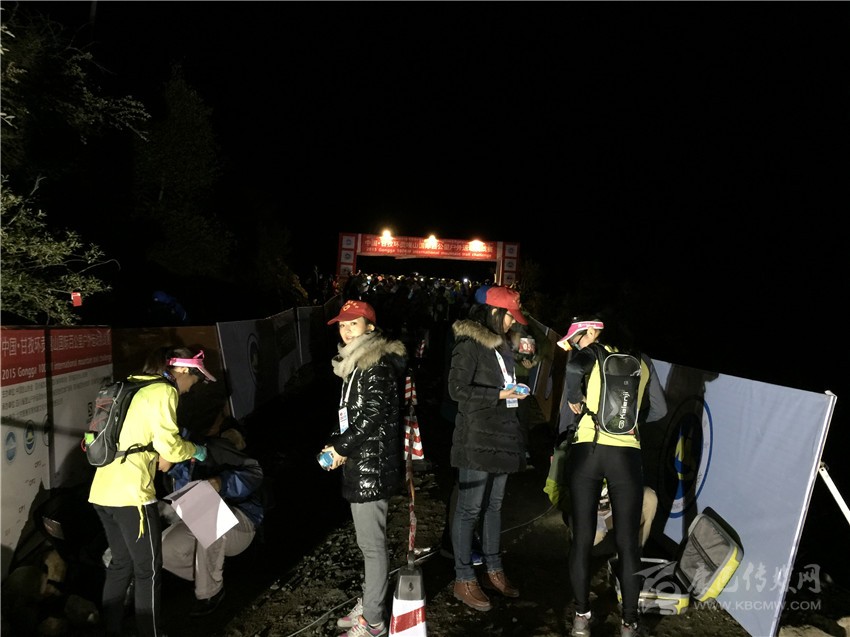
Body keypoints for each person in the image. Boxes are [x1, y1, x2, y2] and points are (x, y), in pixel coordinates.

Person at [88, 346, 213, 637]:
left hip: (102, 490)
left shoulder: (134, 384)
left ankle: (111, 630)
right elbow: (170, 446)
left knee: (121, 564)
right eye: (193, 380)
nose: (189, 389)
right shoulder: (164, 391)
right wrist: (196, 450)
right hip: (131, 495)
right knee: (149, 570)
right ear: (183, 370)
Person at [558, 316, 667, 637]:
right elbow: (660, 410)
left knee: (581, 539)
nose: (578, 343)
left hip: (589, 450)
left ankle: (581, 617)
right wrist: (630, 421)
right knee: (629, 543)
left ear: (597, 331)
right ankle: (629, 623)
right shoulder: (642, 361)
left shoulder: (592, 353)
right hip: (626, 454)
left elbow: (572, 368)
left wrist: (575, 399)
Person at [320, 299, 408, 637]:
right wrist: (335, 444)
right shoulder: (355, 362)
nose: (346, 330)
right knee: (367, 544)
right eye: (342, 325)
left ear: (370, 327)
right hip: (362, 461)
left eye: (353, 324)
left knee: (372, 546)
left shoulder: (375, 364)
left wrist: (342, 447)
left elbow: (372, 414)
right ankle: (371, 603)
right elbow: (349, 414)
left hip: (372, 465)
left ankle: (373, 621)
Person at [447, 285, 530, 612]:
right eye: (509, 316)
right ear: (494, 313)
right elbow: (456, 390)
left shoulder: (504, 345)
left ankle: (494, 569)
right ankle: (463, 577)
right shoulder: (469, 344)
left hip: (503, 435)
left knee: (494, 506)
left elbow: (506, 382)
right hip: (477, 438)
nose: (513, 322)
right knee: (469, 508)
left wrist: (512, 392)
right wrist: (499, 394)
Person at [161, 403, 264, 617]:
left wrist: (221, 482)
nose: (153, 462)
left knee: (204, 511)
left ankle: (210, 592)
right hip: (207, 528)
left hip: (243, 522)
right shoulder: (169, 474)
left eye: (156, 455)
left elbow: (255, 472)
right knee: (163, 546)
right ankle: (209, 574)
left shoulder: (211, 448)